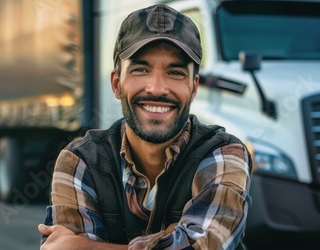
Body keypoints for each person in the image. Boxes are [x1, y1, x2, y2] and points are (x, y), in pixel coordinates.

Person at [38, 3, 252, 250]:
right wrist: (174, 237)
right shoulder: (79, 160)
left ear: (194, 88)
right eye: (141, 69)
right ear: (117, 84)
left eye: (175, 73)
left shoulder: (226, 154)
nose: (157, 88)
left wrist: (87, 246)